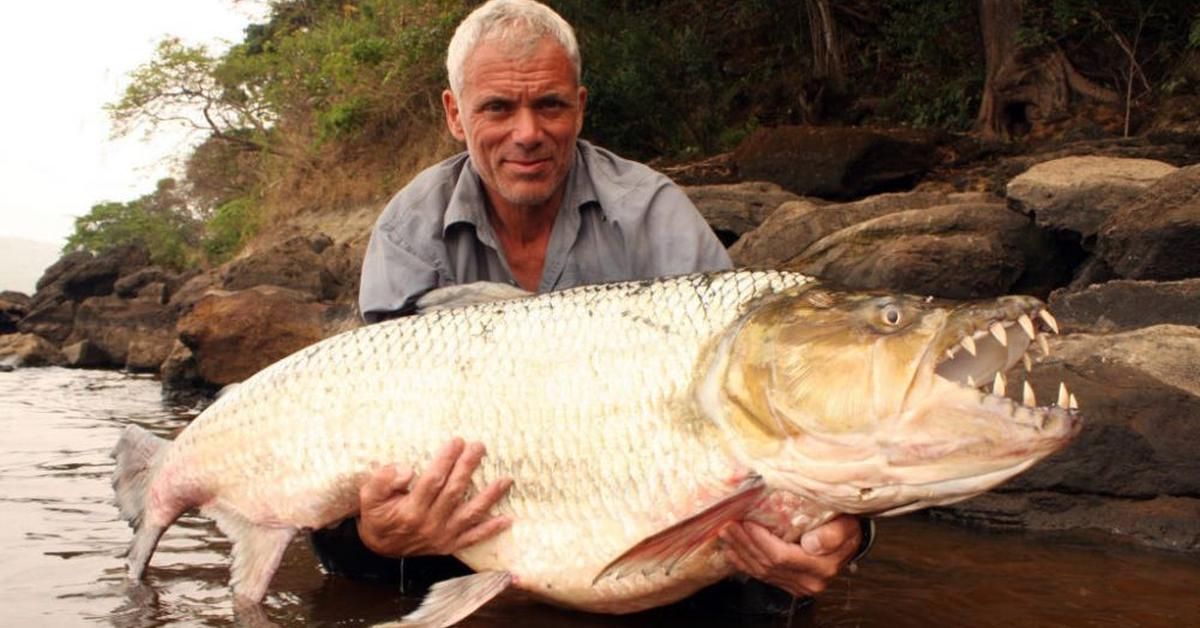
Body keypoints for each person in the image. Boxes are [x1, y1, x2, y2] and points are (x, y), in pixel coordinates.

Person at [315, 0, 873, 615]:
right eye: (498, 107)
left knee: (767, 583)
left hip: (635, 502)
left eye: (549, 104)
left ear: (580, 107)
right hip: (468, 509)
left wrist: (845, 529)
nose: (527, 132)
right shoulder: (408, 229)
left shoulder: (652, 212)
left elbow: (761, 404)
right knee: (347, 549)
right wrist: (377, 531)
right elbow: (364, 420)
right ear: (455, 114)